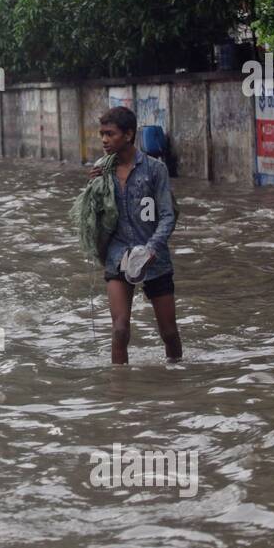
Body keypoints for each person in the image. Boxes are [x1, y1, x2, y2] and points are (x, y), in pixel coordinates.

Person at [89, 105, 181, 365]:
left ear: (128, 135)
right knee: (119, 329)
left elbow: (167, 216)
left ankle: (177, 380)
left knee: (170, 333)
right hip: (118, 254)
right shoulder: (102, 170)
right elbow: (95, 217)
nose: (105, 140)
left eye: (110, 134)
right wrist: (92, 186)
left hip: (155, 257)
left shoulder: (155, 170)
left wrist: (151, 249)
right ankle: (120, 393)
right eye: (102, 134)